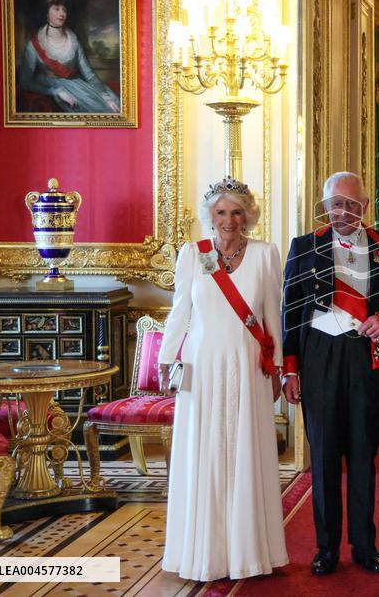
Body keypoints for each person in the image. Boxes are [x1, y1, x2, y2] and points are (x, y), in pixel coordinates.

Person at [282, 172, 379, 576]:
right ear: (325, 206)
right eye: (336, 203)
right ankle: (326, 548)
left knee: (362, 452)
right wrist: (290, 370)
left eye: (352, 204)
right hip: (319, 354)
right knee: (322, 457)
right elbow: (289, 310)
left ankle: (365, 545)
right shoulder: (305, 247)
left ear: (366, 206)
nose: (343, 211)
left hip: (365, 355)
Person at [157, 176, 288, 581]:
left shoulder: (266, 254)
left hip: (248, 363)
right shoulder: (193, 255)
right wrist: (166, 358)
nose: (229, 220)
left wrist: (278, 367)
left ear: (248, 215)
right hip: (201, 364)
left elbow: (272, 316)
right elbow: (180, 311)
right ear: (209, 216)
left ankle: (248, 552)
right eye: (221, 212)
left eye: (237, 212)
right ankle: (203, 553)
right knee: (205, 452)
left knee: (245, 450)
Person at [17, 0, 121, 114]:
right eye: (56, 9)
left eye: (64, 10)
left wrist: (104, 95)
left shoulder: (73, 40)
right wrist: (54, 91)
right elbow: (25, 81)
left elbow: (88, 73)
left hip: (78, 85)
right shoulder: (33, 45)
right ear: (47, 14)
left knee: (114, 105)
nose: (62, 13)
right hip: (53, 86)